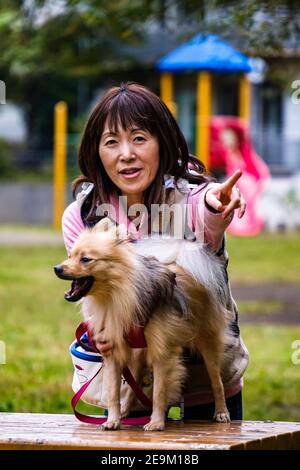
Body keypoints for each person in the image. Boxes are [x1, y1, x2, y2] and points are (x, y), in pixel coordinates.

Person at [62, 82, 249, 420]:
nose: (126, 154)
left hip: (204, 382)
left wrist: (214, 204)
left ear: (162, 143)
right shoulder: (83, 216)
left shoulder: (190, 198)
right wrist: (98, 331)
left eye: (139, 138)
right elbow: (91, 297)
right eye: (111, 142)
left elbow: (205, 207)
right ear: (96, 151)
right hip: (129, 388)